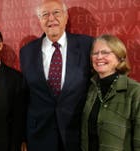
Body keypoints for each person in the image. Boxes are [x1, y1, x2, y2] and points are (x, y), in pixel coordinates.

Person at [19, 0, 93, 151]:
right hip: (39, 135)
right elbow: (24, 97)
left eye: (56, 13)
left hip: (76, 134)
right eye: (45, 14)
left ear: (66, 17)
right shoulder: (27, 52)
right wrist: (22, 137)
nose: (51, 18)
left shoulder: (87, 45)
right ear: (39, 21)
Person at [81, 34, 140, 151]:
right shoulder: (90, 89)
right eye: (95, 53)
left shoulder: (135, 91)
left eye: (105, 53)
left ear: (119, 57)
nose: (99, 57)